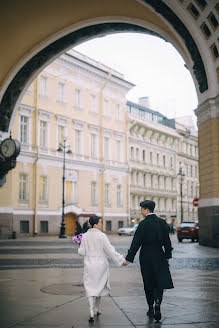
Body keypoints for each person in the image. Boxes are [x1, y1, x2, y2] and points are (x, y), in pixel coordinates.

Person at [124, 200, 174, 322]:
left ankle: (150, 308)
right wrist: (167, 257)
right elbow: (167, 242)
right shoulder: (162, 223)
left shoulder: (143, 224)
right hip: (159, 254)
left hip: (146, 255)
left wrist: (129, 258)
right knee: (159, 280)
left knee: (148, 281)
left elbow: (136, 242)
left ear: (146, 210)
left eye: (142, 209)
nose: (141, 212)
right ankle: (158, 301)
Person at [78, 215, 127, 323]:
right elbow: (110, 251)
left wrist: (79, 245)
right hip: (101, 265)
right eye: (100, 222)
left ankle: (91, 311)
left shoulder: (85, 236)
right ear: (95, 224)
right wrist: (121, 260)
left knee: (90, 288)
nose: (102, 224)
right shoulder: (102, 236)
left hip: (89, 265)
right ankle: (97, 309)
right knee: (99, 287)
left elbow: (81, 252)